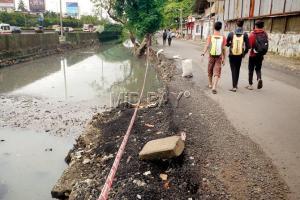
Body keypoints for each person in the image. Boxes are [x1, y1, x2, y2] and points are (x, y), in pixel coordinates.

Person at [201, 21, 226, 94]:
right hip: (219, 56)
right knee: (217, 71)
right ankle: (214, 86)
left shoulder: (210, 36)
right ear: (220, 28)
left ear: (214, 27)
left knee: (210, 69)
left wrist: (203, 53)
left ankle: (210, 84)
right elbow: (224, 49)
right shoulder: (223, 37)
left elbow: (207, 46)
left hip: (211, 56)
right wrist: (224, 58)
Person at [226, 19, 250, 92]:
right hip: (239, 55)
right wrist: (244, 54)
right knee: (237, 69)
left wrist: (230, 44)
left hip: (232, 54)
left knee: (233, 69)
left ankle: (234, 87)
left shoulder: (231, 33)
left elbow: (227, 44)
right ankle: (236, 84)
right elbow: (248, 46)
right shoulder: (245, 34)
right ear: (243, 24)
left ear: (236, 24)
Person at [247, 20, 269, 90]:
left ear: (255, 26)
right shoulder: (265, 34)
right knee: (258, 69)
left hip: (253, 55)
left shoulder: (252, 34)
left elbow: (249, 46)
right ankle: (259, 79)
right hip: (260, 55)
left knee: (251, 70)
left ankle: (250, 85)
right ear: (262, 26)